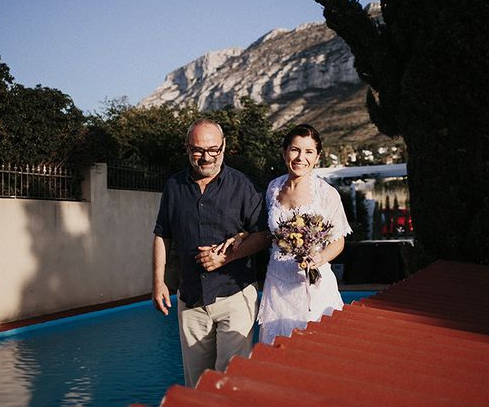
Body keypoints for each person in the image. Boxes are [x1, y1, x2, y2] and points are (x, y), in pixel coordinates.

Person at [151, 118, 269, 387]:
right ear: (186, 148)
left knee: (230, 382)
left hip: (235, 297)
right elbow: (162, 234)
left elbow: (263, 235)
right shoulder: (174, 187)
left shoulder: (243, 186)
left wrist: (227, 257)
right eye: (198, 150)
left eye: (213, 150)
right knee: (197, 384)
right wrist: (158, 282)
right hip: (191, 299)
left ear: (224, 147)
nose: (206, 157)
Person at [257, 124, 352, 345]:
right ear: (284, 153)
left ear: (317, 157)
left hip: (313, 287)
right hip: (278, 286)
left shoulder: (326, 194)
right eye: (295, 150)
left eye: (309, 151)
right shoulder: (272, 189)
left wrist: (318, 259)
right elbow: (265, 233)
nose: (301, 157)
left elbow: (338, 242)